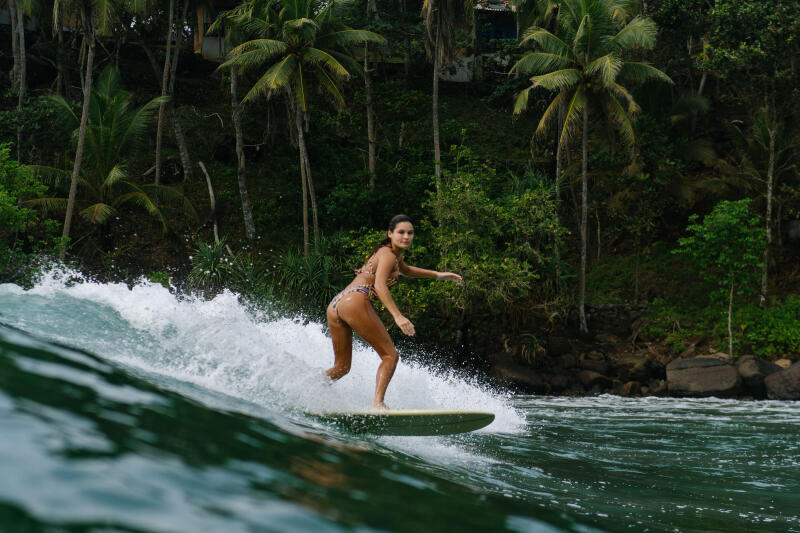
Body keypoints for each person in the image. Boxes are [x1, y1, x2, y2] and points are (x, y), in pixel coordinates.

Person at [326, 214, 463, 409]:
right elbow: (380, 285)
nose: (406, 236)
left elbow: (406, 270)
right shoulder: (389, 255)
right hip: (355, 300)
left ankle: (307, 386)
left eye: (410, 233)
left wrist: (438, 275)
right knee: (390, 356)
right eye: (401, 232)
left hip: (336, 304)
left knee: (341, 368)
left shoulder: (390, 255)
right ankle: (378, 404)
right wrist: (398, 316)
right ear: (390, 233)